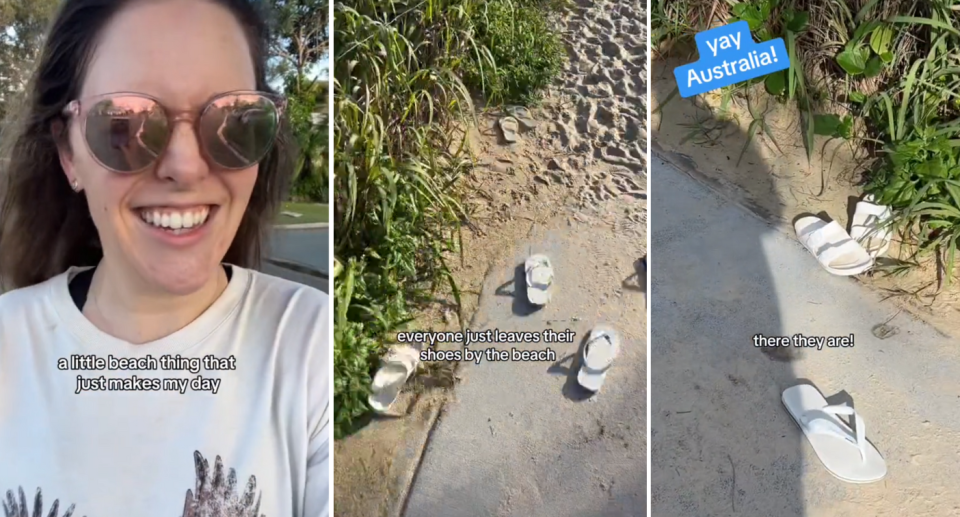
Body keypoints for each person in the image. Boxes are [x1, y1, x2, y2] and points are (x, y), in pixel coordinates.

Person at [0, 1, 330, 516]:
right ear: (69, 153)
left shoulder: (311, 346)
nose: (185, 165)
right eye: (126, 124)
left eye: (234, 121)